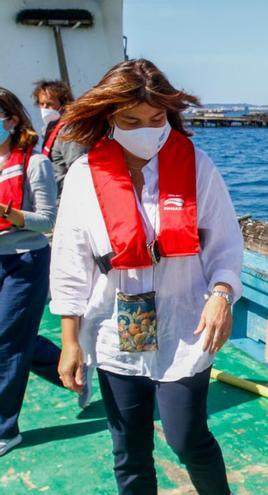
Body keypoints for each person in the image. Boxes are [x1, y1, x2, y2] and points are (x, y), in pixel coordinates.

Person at [50, 59, 243, 495]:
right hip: (115, 326)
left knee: (187, 437)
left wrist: (222, 294)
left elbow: (226, 245)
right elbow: (69, 263)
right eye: (131, 120)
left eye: (157, 119)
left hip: (184, 321)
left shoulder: (197, 166)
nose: (147, 129)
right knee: (130, 450)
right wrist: (69, 341)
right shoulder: (84, 176)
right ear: (109, 118)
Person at [0, 88, 59, 457]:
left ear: (13, 120)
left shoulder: (36, 163)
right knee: (16, 338)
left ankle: (6, 429)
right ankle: (74, 373)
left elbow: (48, 219)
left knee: (5, 342)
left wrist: (12, 215)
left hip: (26, 260)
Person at [32, 79, 85, 195]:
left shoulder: (69, 130)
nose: (45, 109)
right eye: (42, 104)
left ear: (63, 104)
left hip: (68, 197)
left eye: (49, 104)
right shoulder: (49, 129)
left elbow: (78, 170)